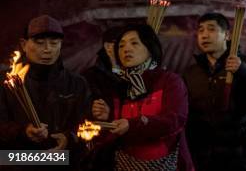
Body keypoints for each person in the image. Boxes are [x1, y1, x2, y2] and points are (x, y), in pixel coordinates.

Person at [91, 24, 193, 170]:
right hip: (126, 164)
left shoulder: (170, 81)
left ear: (150, 48)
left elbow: (175, 120)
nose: (126, 49)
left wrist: (132, 124)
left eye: (134, 43)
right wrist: (107, 118)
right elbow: (113, 132)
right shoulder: (120, 87)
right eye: (121, 46)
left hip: (166, 164)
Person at [182, 12, 246, 171]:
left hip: (238, 156)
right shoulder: (191, 72)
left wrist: (244, 71)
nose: (204, 35)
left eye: (211, 29)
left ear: (227, 35)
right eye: (201, 30)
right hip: (204, 157)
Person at [0, 15, 90, 169]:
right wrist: (23, 132)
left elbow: (88, 123)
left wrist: (68, 138)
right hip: (17, 162)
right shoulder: (8, 82)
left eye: (54, 43)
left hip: (64, 161)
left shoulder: (77, 83)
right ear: (23, 44)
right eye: (40, 43)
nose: (47, 49)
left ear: (61, 45)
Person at [81, 26, 123, 170]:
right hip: (102, 149)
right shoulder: (89, 77)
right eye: (121, 44)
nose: (127, 49)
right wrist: (94, 111)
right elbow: (82, 112)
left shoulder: (140, 76)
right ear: (108, 47)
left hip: (132, 145)